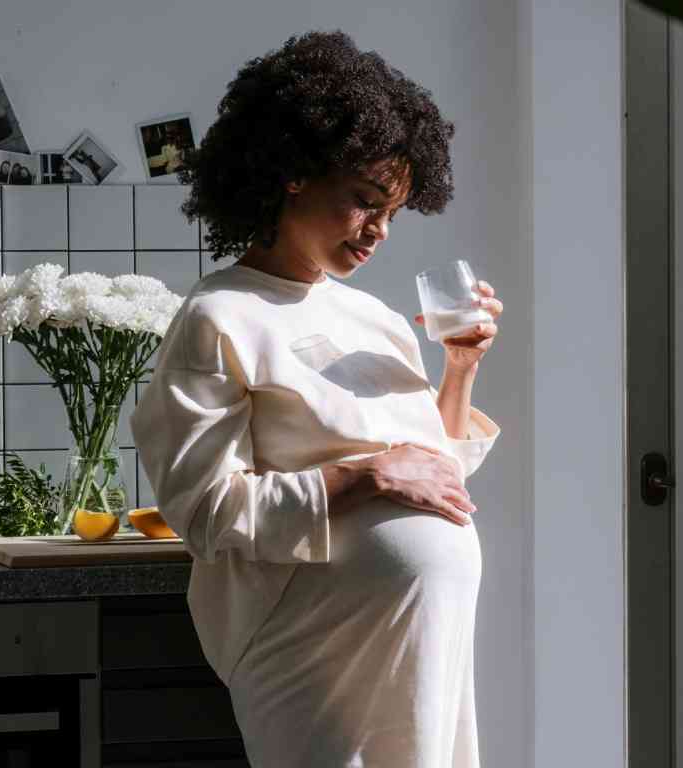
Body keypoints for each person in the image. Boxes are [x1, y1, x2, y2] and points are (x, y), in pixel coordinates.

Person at [129, 29, 503, 768]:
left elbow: (435, 476)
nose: (380, 233)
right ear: (294, 173)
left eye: (393, 212)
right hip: (307, 650)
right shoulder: (219, 316)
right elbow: (207, 512)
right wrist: (365, 476)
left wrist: (459, 370)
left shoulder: (378, 320)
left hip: (426, 646)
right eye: (365, 202)